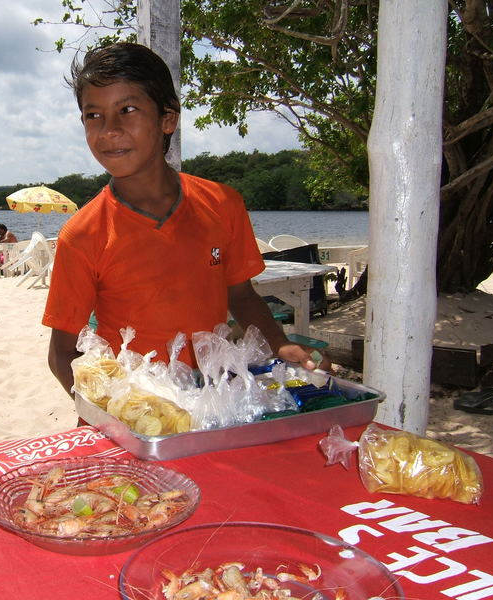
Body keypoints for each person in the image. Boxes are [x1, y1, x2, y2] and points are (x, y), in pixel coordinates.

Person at [43, 42, 328, 398]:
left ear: (168, 119)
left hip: (213, 396)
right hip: (135, 406)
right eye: (93, 115)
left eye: (127, 110)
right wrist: (112, 413)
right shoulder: (83, 234)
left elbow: (240, 294)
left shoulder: (222, 204)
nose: (109, 129)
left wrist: (279, 343)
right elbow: (61, 354)